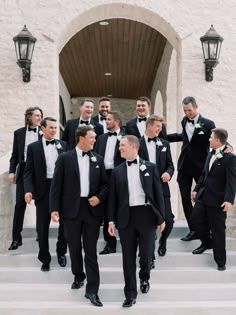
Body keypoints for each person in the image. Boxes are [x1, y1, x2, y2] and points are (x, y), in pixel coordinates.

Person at [50, 125, 108, 307]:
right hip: (70, 211)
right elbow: (56, 186)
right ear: (81, 138)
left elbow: (106, 185)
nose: (94, 140)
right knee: (74, 247)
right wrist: (54, 209)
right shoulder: (64, 158)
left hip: (91, 210)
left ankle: (92, 290)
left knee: (90, 251)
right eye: (91, 137)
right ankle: (78, 275)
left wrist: (99, 197)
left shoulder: (98, 159)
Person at [108, 135, 165, 308]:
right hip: (126, 217)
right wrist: (111, 221)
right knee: (127, 258)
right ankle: (130, 293)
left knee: (147, 255)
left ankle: (144, 278)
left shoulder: (150, 167)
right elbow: (112, 199)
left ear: (133, 147)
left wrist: (161, 217)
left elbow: (158, 194)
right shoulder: (117, 171)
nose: (120, 148)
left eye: (123, 145)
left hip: (146, 215)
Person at [167, 96, 216, 241]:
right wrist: (163, 136)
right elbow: (185, 137)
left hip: (201, 167)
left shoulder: (207, 124)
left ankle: (207, 229)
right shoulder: (184, 121)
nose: (187, 113)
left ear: (196, 107)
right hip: (184, 167)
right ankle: (193, 229)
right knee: (185, 199)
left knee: (203, 198)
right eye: (185, 110)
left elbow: (216, 138)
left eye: (189, 110)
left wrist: (227, 147)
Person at [24, 117, 67, 271]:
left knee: (64, 225)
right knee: (42, 227)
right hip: (42, 190)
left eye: (56, 128)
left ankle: (61, 252)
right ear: (42, 128)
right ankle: (45, 258)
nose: (54, 130)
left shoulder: (63, 145)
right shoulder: (33, 148)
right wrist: (28, 190)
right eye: (51, 127)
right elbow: (28, 171)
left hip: (61, 190)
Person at [190, 128, 236, 271]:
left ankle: (220, 261)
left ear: (217, 140)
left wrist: (229, 200)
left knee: (218, 230)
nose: (209, 139)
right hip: (203, 196)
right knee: (195, 221)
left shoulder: (230, 158)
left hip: (218, 200)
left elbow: (232, 181)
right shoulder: (210, 153)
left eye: (211, 137)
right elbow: (204, 174)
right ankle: (207, 242)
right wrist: (196, 189)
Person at [139, 115, 174, 259]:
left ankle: (163, 241)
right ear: (149, 126)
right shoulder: (137, 143)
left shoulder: (164, 144)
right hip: (144, 190)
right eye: (158, 127)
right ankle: (149, 257)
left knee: (169, 221)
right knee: (149, 224)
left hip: (162, 188)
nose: (160, 129)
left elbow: (171, 165)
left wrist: (168, 173)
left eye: (161, 127)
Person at [8, 106, 43, 250]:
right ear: (29, 117)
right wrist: (11, 171)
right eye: (37, 115)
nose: (40, 118)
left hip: (40, 172)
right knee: (20, 205)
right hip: (23, 170)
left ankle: (41, 234)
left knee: (40, 204)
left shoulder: (44, 132)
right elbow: (14, 155)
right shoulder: (19, 133)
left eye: (41, 115)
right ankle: (16, 238)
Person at [94, 111, 125, 254]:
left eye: (109, 119)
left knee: (123, 207)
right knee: (107, 209)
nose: (106, 122)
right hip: (103, 176)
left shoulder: (126, 137)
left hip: (120, 174)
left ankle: (127, 241)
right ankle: (110, 244)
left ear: (117, 121)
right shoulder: (100, 138)